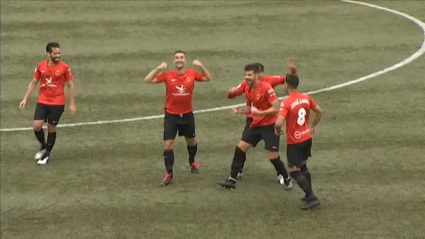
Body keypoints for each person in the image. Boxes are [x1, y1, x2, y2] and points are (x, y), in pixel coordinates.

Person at [144, 50, 212, 186]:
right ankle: (169, 174)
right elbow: (148, 80)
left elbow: (208, 78)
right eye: (177, 58)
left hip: (187, 115)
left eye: (181, 58)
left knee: (191, 141)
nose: (179, 60)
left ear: (185, 61)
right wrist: (158, 68)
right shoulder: (167, 75)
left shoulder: (192, 74)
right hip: (171, 116)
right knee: (168, 144)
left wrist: (201, 66)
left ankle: (192, 162)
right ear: (173, 61)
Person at [217, 64, 291, 190]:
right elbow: (250, 108)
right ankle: (232, 180)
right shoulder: (247, 87)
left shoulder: (267, 88)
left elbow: (276, 108)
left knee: (273, 158)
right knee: (240, 148)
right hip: (256, 125)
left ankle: (286, 178)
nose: (247, 77)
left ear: (257, 76)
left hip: (269, 126)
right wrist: (239, 111)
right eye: (245, 75)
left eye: (249, 75)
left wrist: (260, 113)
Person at [19, 42, 76, 165]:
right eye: (55, 53)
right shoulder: (41, 66)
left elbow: (71, 85)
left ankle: (46, 155)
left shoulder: (65, 67)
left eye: (59, 53)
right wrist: (25, 99)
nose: (58, 55)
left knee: (51, 127)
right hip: (43, 101)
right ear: (48, 54)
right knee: (37, 126)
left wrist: (72, 104)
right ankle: (43, 145)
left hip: (57, 102)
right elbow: (33, 82)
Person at [275, 74, 322, 210]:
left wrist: (277, 129)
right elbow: (319, 111)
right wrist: (313, 126)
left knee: (294, 171)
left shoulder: (287, 102)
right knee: (303, 166)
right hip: (307, 137)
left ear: (286, 85)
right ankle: (308, 196)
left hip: (295, 142)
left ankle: (312, 197)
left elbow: (278, 122)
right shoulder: (306, 98)